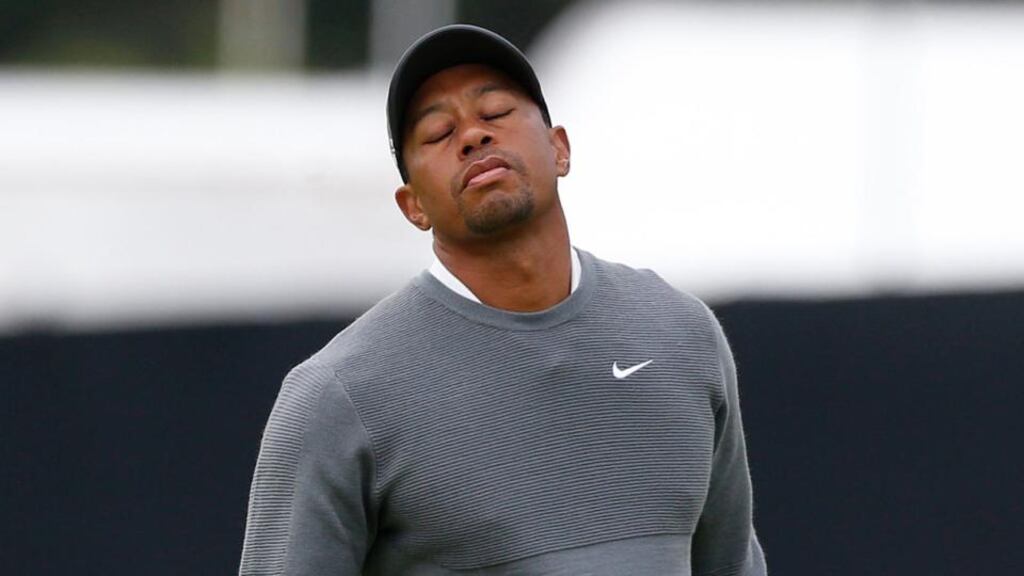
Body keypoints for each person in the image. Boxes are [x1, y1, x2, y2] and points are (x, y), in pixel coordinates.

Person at [239, 24, 767, 576]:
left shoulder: (680, 333)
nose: (472, 135)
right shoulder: (337, 395)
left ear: (559, 148)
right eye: (440, 133)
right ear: (412, 205)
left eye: (495, 113)